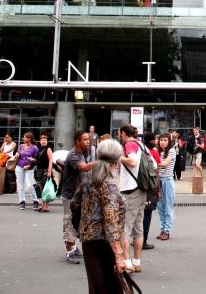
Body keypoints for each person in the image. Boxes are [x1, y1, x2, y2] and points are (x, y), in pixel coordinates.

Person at [71, 138, 127, 294]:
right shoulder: (108, 184)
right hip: (105, 243)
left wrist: (83, 225)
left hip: (88, 239)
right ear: (117, 160)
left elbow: (74, 204)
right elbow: (110, 220)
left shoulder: (88, 178)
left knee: (96, 286)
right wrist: (119, 254)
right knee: (109, 288)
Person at [119, 124, 147, 273]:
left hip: (131, 190)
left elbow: (132, 162)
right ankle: (137, 262)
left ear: (122, 133)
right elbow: (154, 164)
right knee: (138, 228)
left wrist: (118, 157)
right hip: (142, 189)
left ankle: (127, 263)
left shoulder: (129, 144)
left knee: (125, 228)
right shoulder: (142, 145)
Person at [61, 131, 93, 264]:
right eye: (85, 139)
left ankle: (73, 247)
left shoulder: (83, 153)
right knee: (69, 222)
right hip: (70, 195)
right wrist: (101, 162)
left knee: (77, 222)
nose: (88, 141)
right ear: (77, 141)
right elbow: (84, 168)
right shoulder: (74, 155)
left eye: (88, 139)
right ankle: (69, 252)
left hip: (80, 195)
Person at [140, 131, 160, 250]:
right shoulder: (150, 152)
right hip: (149, 188)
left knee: (139, 216)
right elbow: (156, 170)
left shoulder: (140, 151)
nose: (154, 141)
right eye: (152, 139)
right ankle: (143, 241)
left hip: (141, 188)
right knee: (146, 216)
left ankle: (138, 239)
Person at [156, 133, 176, 240]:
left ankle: (167, 231)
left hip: (167, 180)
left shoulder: (171, 151)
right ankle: (162, 229)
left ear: (169, 141)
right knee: (160, 207)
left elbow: (165, 164)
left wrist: (153, 162)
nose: (162, 142)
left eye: (165, 140)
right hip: (158, 181)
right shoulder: (158, 151)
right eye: (161, 140)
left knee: (168, 207)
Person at [12, 132, 39, 211]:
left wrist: (31, 162)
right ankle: (22, 202)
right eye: (23, 137)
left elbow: (37, 159)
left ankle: (35, 201)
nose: (23, 139)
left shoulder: (34, 148)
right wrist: (17, 154)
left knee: (30, 185)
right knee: (20, 186)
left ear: (29, 139)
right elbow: (18, 153)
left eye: (25, 137)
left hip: (29, 168)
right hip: (19, 167)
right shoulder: (21, 146)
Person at [35, 133, 54, 212]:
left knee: (46, 188)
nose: (43, 141)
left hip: (45, 170)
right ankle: (43, 204)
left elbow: (50, 160)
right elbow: (38, 159)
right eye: (42, 140)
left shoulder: (48, 149)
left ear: (47, 141)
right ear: (40, 141)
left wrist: (49, 171)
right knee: (41, 187)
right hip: (39, 170)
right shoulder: (39, 149)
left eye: (45, 140)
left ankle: (46, 206)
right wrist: (32, 160)